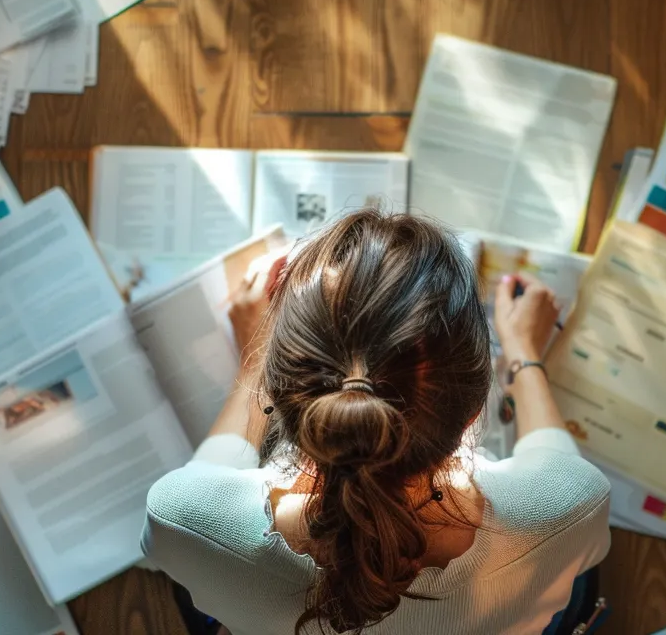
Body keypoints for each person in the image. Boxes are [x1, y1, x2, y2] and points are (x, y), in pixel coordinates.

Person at [143, 210, 611, 634]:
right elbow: (551, 456)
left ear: (284, 397)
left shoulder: (185, 517)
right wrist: (525, 354)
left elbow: (211, 474)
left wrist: (252, 364)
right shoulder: (564, 511)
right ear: (472, 415)